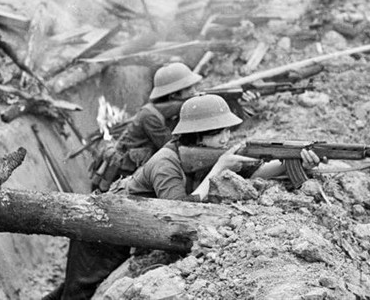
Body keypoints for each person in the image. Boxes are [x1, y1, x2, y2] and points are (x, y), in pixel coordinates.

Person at [49, 95, 320, 299]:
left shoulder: (199, 155)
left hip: (132, 228)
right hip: (104, 231)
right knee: (79, 292)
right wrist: (219, 169)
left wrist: (292, 163)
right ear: (198, 136)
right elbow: (178, 214)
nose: (228, 137)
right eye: (220, 132)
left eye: (227, 130)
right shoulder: (167, 161)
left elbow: (256, 171)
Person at [90, 61, 202, 192]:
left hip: (140, 168)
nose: (194, 92)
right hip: (122, 174)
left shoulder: (167, 113)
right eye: (188, 89)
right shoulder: (150, 116)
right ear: (174, 95)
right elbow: (171, 147)